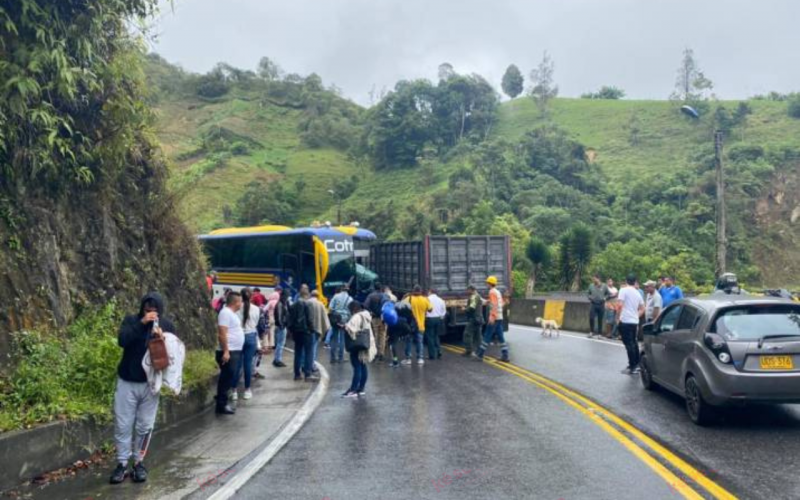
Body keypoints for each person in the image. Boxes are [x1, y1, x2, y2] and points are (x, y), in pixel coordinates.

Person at [110, 292, 176, 485]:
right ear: (142, 308)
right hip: (127, 381)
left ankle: (139, 462)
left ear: (160, 310)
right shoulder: (131, 321)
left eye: (154, 309)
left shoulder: (167, 325)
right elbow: (122, 340)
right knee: (123, 425)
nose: (151, 312)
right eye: (147, 309)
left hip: (151, 384)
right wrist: (141, 323)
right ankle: (122, 463)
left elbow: (173, 356)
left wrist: (163, 339)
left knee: (145, 426)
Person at [216, 291, 244, 415]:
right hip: (229, 351)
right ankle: (221, 405)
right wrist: (226, 351)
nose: (242, 304)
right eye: (240, 301)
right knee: (226, 378)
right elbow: (222, 332)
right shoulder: (225, 313)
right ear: (236, 302)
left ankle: (223, 402)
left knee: (230, 377)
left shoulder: (231, 313)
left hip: (234, 350)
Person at [341, 301, 376, 398]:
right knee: (363, 366)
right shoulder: (366, 315)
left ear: (353, 309)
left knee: (357, 367)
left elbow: (351, 329)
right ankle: (361, 388)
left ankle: (353, 390)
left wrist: (343, 326)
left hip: (356, 345)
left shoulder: (356, 317)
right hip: (365, 344)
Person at [233, 288, 260, 401]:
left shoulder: (236, 308)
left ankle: (233, 390)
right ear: (251, 297)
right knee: (248, 365)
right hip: (251, 337)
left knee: (237, 364)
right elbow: (256, 323)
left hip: (238, 337)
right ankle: (247, 390)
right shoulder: (257, 309)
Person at [477, 276, 510, 362]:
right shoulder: (497, 292)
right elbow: (499, 303)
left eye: (487, 282)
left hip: (494, 318)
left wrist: (492, 316)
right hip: (499, 317)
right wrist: (484, 301)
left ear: (489, 283)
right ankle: (505, 355)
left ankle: (480, 354)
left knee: (487, 335)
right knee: (501, 337)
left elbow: (494, 305)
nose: (486, 284)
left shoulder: (491, 292)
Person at [617, 275, 645, 375]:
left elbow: (620, 305)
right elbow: (642, 308)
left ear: (626, 281)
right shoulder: (638, 293)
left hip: (625, 321)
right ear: (635, 281)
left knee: (629, 344)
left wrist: (618, 319)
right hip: (634, 322)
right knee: (634, 342)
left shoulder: (623, 290)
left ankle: (633, 366)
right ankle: (637, 364)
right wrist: (636, 316)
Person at [289, 285, 318, 382]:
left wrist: (292, 330)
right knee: (309, 352)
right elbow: (310, 319)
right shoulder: (308, 304)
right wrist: (313, 329)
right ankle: (308, 374)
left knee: (298, 352)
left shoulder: (294, 304)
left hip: (297, 332)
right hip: (306, 331)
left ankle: (297, 374)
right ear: (308, 294)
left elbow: (291, 319)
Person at [403, 285, 431, 365]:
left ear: (413, 291)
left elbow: (400, 307)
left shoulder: (408, 299)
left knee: (408, 341)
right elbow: (430, 309)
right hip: (420, 325)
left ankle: (408, 359)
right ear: (421, 291)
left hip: (409, 325)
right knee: (420, 341)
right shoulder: (425, 299)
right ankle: (420, 358)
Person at [363, 283, 388, 361]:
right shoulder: (384, 296)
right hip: (383, 318)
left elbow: (365, 305)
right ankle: (381, 353)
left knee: (375, 335)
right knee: (383, 336)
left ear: (374, 288)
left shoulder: (371, 296)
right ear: (381, 288)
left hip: (374, 318)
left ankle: (375, 353)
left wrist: (371, 311)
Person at [328, 285, 353, 363]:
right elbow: (351, 311)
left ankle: (332, 358)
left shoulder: (335, 296)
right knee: (342, 339)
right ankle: (340, 358)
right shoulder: (350, 299)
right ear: (348, 290)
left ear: (341, 289)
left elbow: (330, 308)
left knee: (334, 338)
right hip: (344, 320)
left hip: (335, 319)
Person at [387, 301, 414, 367]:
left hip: (395, 330)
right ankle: (408, 358)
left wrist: (388, 334)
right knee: (408, 343)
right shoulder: (407, 313)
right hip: (405, 329)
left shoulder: (394, 317)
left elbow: (390, 327)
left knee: (392, 345)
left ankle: (395, 361)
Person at [308, 290, 331, 369]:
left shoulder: (306, 303)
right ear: (317, 296)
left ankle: (304, 365)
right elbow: (325, 317)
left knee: (306, 348)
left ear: (311, 295)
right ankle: (311, 365)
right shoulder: (320, 304)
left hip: (306, 330)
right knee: (313, 348)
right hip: (316, 329)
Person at [463, 285, 484, 358]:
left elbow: (472, 307)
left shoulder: (474, 296)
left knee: (467, 334)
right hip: (479, 318)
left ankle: (469, 350)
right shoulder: (478, 295)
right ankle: (480, 351)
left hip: (474, 319)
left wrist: (464, 310)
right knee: (478, 336)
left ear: (471, 290)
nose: (467, 292)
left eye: (468, 290)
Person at [425, 289, 446, 360]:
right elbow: (444, 311)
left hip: (429, 319)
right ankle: (439, 351)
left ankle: (432, 355)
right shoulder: (441, 300)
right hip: (438, 319)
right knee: (436, 336)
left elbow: (425, 309)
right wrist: (441, 317)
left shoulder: (427, 299)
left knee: (430, 337)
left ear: (430, 292)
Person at [587, 274, 609, 339]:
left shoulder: (604, 286)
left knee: (600, 319)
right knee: (591, 318)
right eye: (593, 279)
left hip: (601, 304)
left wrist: (605, 298)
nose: (593, 280)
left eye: (594, 279)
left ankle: (600, 334)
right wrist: (590, 297)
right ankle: (591, 332)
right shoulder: (591, 285)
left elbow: (608, 294)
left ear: (598, 279)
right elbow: (588, 293)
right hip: (593, 303)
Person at [271, 289, 289, 367]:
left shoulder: (282, 303)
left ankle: (277, 359)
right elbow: (279, 316)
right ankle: (277, 360)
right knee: (280, 344)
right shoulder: (280, 304)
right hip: (281, 327)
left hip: (281, 326)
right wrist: (282, 325)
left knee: (280, 344)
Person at [265, 286, 282, 351]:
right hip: (276, 318)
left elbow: (264, 310)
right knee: (272, 332)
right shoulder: (278, 303)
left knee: (266, 331)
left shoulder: (271, 302)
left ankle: (266, 345)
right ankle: (272, 344)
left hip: (270, 317)